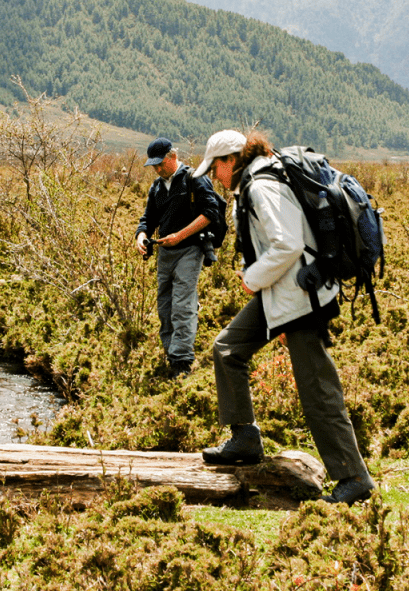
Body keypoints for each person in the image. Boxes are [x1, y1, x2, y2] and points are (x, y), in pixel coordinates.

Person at [192, 129, 376, 505]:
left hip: (301, 297)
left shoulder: (261, 186)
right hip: (284, 293)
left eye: (215, 169)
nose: (215, 177)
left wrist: (254, 278)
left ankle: (353, 477)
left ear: (231, 161)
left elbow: (288, 243)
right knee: (228, 348)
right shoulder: (257, 181)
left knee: (317, 389)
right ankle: (244, 438)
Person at [135, 137, 222, 377]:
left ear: (173, 157)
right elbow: (148, 219)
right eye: (153, 165)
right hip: (165, 252)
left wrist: (180, 236)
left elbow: (210, 212)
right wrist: (141, 236)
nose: (157, 168)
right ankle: (171, 352)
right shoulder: (157, 187)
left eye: (160, 163)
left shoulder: (194, 178)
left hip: (190, 249)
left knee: (182, 304)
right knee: (165, 305)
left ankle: (182, 361)